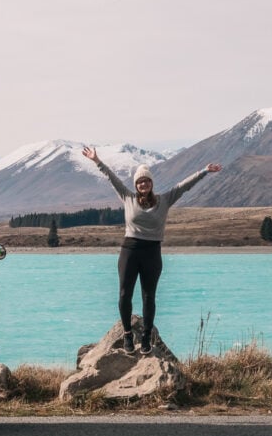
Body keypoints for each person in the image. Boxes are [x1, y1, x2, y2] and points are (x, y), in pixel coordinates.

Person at [81, 148, 222, 354]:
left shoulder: (164, 200)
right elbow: (112, 178)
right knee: (124, 295)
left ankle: (146, 336)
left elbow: (184, 186)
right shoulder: (127, 197)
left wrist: (204, 171)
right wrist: (97, 160)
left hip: (152, 253)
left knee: (149, 296)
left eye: (146, 181)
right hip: (130, 250)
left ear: (151, 183)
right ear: (136, 185)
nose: (143, 184)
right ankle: (128, 335)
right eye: (139, 182)